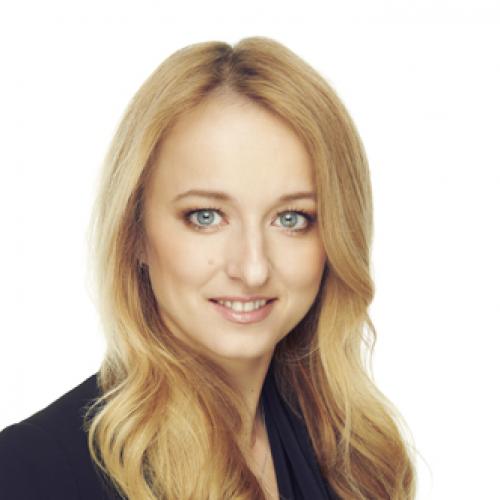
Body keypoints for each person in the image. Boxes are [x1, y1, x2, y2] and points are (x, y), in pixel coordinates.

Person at [0, 36, 416, 499]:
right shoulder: (28, 472)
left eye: (291, 219)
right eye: (206, 216)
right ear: (135, 231)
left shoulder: (353, 458)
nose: (253, 269)